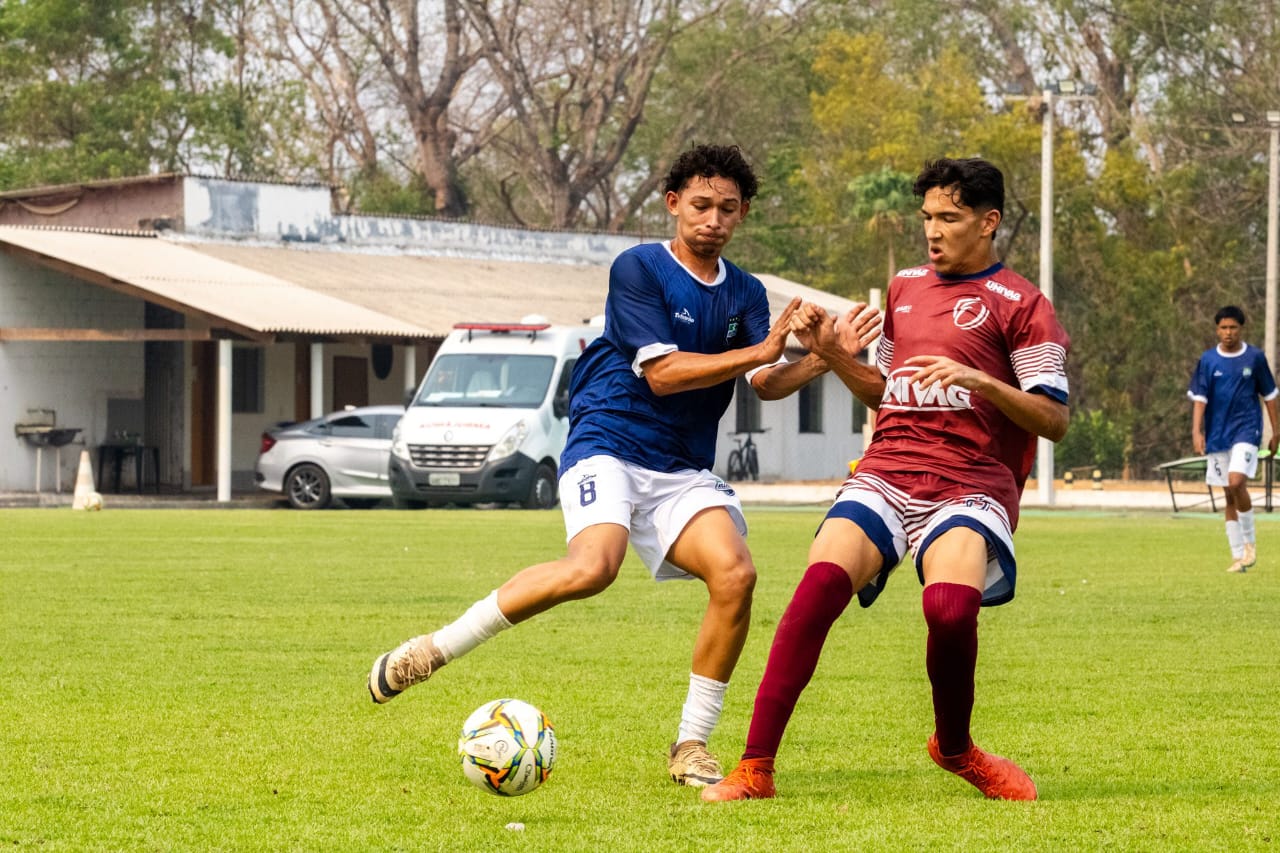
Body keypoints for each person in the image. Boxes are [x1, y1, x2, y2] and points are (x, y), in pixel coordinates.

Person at [369, 144, 870, 788]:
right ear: (673, 205)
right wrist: (767, 345)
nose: (712, 219)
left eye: (727, 208)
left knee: (736, 575)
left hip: (682, 467)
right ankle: (430, 652)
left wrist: (825, 355)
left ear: (742, 213)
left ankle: (691, 745)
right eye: (700, 205)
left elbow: (767, 382)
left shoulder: (745, 291)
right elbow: (662, 375)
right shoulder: (639, 269)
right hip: (609, 440)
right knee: (592, 568)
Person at [702, 157, 1070, 803]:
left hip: (972, 481)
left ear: (989, 223)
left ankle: (955, 747)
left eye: (949, 218)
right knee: (818, 586)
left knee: (950, 610)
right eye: (927, 216)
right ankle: (755, 766)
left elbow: (1056, 419)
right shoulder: (903, 287)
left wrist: (983, 381)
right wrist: (835, 354)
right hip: (890, 467)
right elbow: (887, 394)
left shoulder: (1024, 305)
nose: (933, 230)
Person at [1188, 305, 1279, 573]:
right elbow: (1200, 399)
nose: (1228, 332)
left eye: (1233, 327)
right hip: (1217, 434)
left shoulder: (1254, 358)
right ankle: (1238, 557)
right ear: (1217, 330)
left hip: (1246, 430)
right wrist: (1196, 431)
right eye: (1223, 328)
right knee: (1229, 494)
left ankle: (1250, 546)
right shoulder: (1208, 361)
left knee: (1236, 480)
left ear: (1241, 329)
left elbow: (1270, 396)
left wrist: (1275, 432)